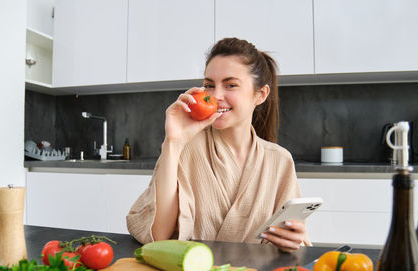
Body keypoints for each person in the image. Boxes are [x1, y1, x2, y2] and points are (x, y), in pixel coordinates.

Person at [127, 37, 308, 252]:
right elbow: (157, 236)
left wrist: (293, 240)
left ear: (260, 95)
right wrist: (173, 143)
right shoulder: (184, 148)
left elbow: (291, 239)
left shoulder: (279, 160)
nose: (216, 96)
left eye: (231, 85)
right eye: (209, 86)